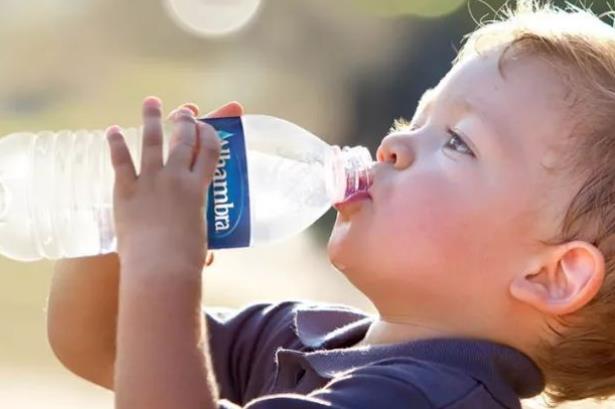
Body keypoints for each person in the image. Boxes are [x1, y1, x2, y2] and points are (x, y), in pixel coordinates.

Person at [46, 1, 615, 408]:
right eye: (413, 120)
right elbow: (104, 343)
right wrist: (119, 224)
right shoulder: (308, 337)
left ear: (551, 275)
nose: (392, 146)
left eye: (457, 142)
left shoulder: (430, 399)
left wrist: (164, 266)